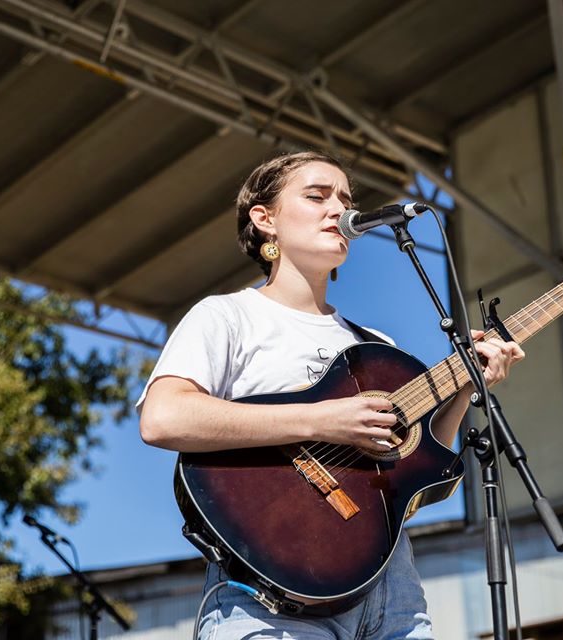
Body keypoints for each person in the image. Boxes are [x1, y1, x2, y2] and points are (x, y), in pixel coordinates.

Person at [137, 150, 525, 639]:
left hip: (394, 596)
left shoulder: (375, 346)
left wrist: (466, 387)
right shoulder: (227, 316)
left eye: (345, 199)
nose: (338, 210)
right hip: (270, 599)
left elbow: (414, 476)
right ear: (265, 219)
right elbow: (163, 418)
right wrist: (323, 420)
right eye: (316, 196)